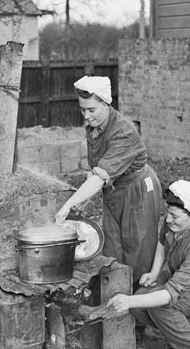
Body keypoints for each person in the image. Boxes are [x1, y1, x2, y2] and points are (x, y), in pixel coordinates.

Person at [55, 75, 162, 290]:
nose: (86, 116)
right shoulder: (94, 128)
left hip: (137, 189)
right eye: (83, 110)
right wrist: (83, 197)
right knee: (112, 245)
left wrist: (67, 206)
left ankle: (138, 306)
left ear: (106, 104)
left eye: (92, 110)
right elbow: (95, 170)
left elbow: (99, 177)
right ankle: (116, 293)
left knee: (138, 247)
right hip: (113, 188)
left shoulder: (122, 132)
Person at [107, 180, 190, 349]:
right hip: (179, 277)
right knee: (140, 302)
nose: (168, 220)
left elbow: (170, 294)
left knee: (158, 306)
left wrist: (127, 301)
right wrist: (154, 273)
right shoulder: (174, 222)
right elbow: (162, 243)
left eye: (174, 216)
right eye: (168, 214)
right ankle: (186, 323)